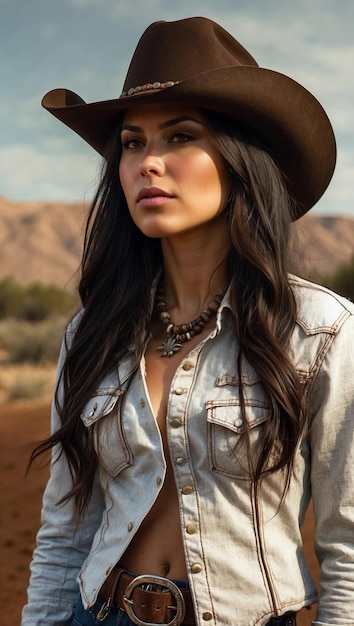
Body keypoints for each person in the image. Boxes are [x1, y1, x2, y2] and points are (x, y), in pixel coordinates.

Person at [21, 16, 354, 626]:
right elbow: (64, 537)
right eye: (132, 142)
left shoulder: (319, 331)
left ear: (238, 158)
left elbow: (349, 552)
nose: (149, 163)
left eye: (179, 137)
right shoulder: (91, 335)